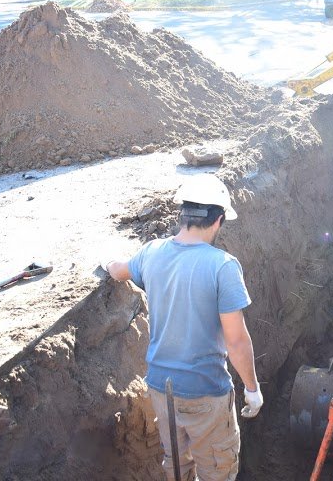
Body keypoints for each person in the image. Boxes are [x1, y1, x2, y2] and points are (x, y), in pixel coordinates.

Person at [104, 173, 262, 481]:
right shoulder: (223, 266)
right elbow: (237, 342)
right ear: (218, 220)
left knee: (177, 467)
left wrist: (107, 261)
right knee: (218, 469)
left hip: (162, 390)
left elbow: (118, 270)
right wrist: (253, 390)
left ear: (183, 215)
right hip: (205, 392)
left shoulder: (151, 252)